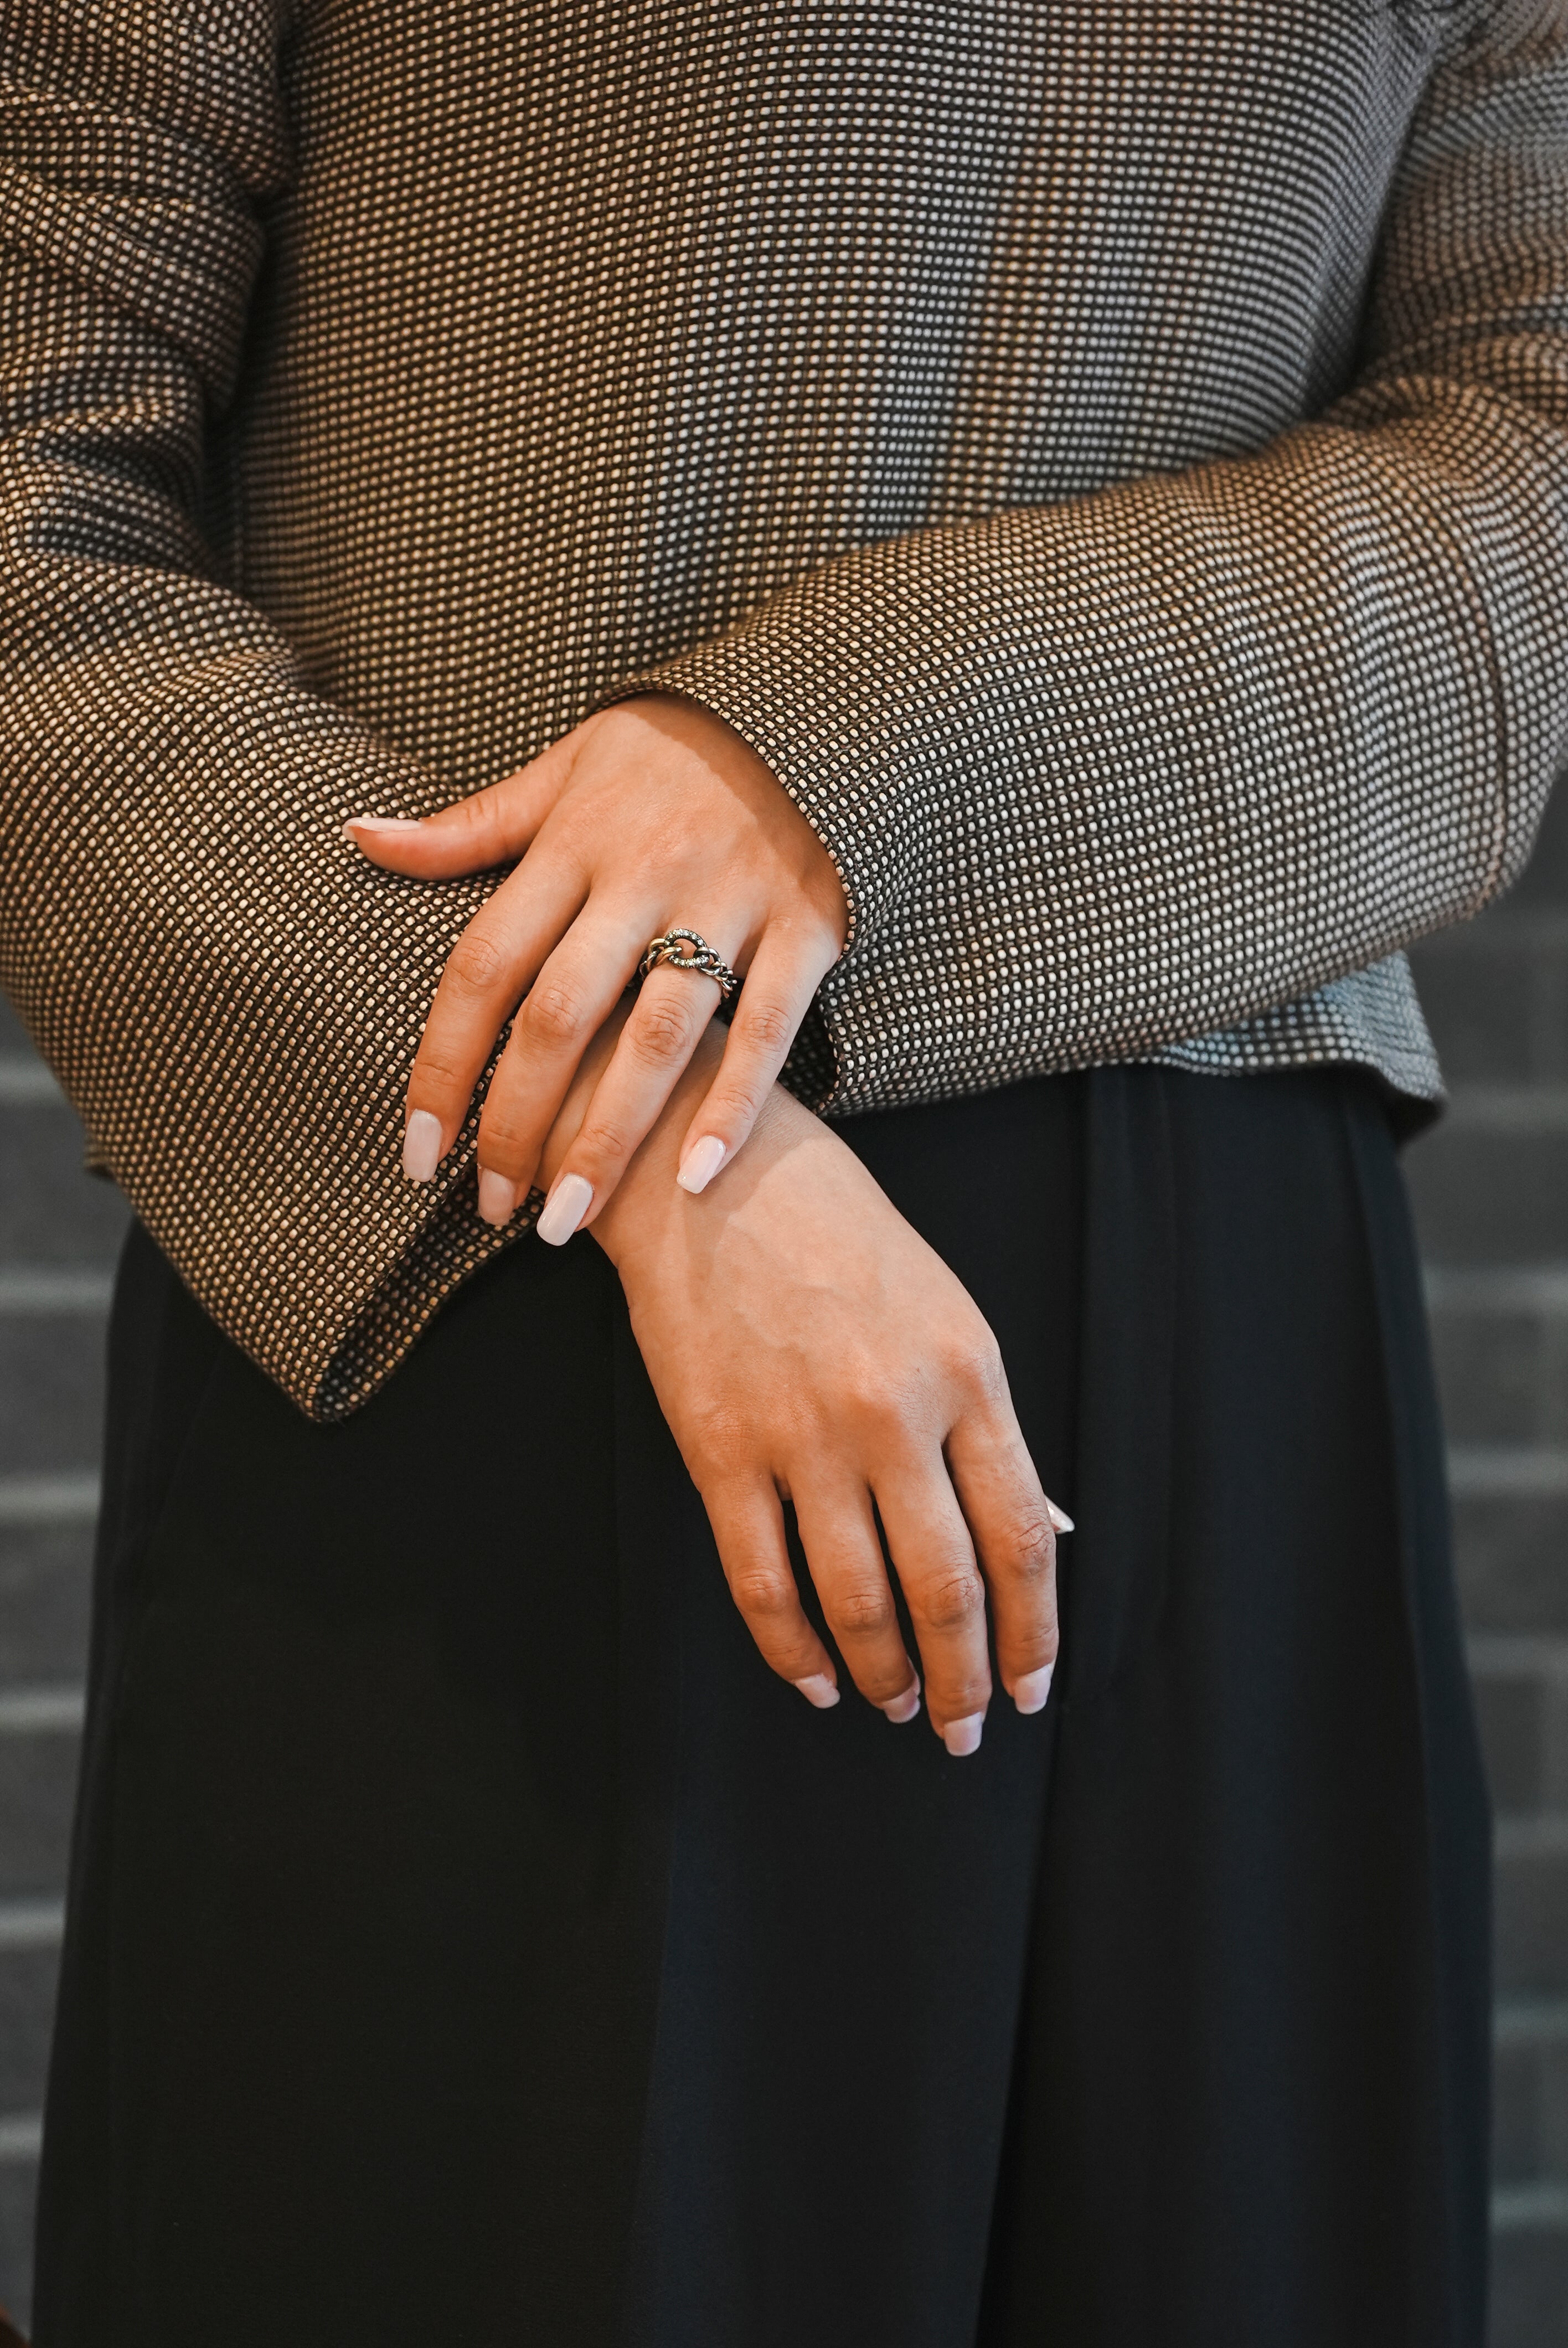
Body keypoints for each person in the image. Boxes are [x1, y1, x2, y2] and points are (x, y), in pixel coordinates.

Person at [2, 1, 1564, 2341]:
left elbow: (1527, 474)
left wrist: (814, 771)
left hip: (1241, 1356)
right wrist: (645, 1129)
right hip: (486, 1283)